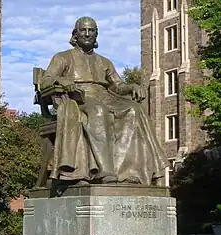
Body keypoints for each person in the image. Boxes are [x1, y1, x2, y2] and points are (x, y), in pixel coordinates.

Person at [41, 16, 167, 185]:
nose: (87, 34)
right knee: (99, 111)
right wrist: (63, 81)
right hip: (78, 97)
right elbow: (46, 80)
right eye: (83, 30)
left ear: (96, 34)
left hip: (106, 97)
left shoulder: (104, 61)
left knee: (133, 110)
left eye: (91, 30)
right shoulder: (63, 57)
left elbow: (118, 86)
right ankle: (105, 171)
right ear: (75, 34)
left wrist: (131, 86)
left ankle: (127, 172)